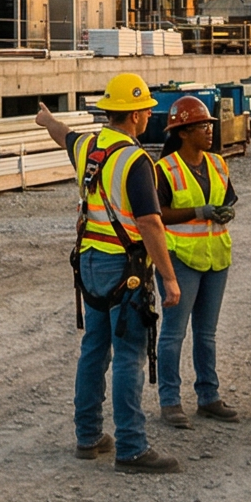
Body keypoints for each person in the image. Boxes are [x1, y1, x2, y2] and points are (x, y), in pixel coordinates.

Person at [38, 75, 182, 473]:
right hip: (125, 267)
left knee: (94, 348)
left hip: (89, 261)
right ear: (135, 114)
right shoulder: (135, 161)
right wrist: (169, 278)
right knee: (129, 356)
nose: (151, 113)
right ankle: (132, 447)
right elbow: (151, 224)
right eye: (147, 108)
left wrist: (45, 119)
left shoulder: (90, 147)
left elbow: (62, 135)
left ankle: (88, 436)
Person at [154, 95, 239, 427]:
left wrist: (224, 212)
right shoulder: (165, 169)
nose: (209, 131)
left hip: (216, 257)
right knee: (173, 333)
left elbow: (227, 197)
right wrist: (198, 212)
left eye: (208, 125)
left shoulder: (217, 163)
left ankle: (208, 396)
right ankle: (170, 402)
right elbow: (158, 214)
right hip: (181, 258)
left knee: (206, 333)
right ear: (183, 132)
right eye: (202, 126)